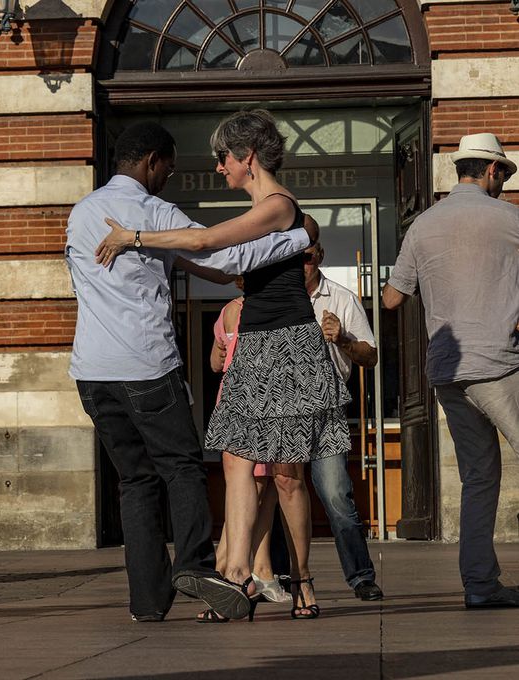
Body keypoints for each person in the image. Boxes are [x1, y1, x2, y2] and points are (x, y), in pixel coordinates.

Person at [96, 110, 346, 621]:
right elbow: (208, 258)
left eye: (222, 158)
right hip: (254, 343)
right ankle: (235, 577)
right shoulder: (275, 211)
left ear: (246, 158)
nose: (218, 168)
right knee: (235, 462)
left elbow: (207, 241)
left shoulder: (277, 204)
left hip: (287, 343)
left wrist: (135, 238)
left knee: (285, 475)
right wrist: (164, 255)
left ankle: (297, 579)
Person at [383, 132, 519, 609]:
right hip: (498, 363)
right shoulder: (509, 219)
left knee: (479, 477)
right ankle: (482, 585)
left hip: (447, 372)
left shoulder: (423, 224)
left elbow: (391, 297)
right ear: (491, 170)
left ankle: (481, 587)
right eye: (503, 174)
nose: (503, 182)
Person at [199, 289, 291, 623]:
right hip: (258, 400)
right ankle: (227, 565)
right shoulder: (264, 307)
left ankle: (258, 567)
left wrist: (225, 348)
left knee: (260, 485)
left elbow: (214, 363)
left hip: (232, 396)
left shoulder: (227, 311)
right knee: (253, 486)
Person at [303, 242, 384, 601]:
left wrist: (343, 338)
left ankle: (361, 576)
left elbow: (371, 355)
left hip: (328, 406)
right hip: (280, 409)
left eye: (305, 257)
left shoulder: (341, 298)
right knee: (275, 494)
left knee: (336, 494)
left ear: (319, 255)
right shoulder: (277, 297)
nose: (299, 265)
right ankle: (278, 576)